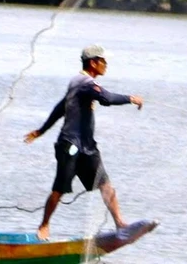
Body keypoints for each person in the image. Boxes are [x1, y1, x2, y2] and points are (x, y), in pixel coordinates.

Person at [25, 45, 143, 241]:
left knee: (105, 184)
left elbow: (60, 107)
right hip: (69, 145)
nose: (106, 65)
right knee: (60, 189)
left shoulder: (78, 83)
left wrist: (41, 130)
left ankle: (120, 223)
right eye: (103, 61)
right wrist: (131, 99)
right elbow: (106, 98)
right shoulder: (85, 83)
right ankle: (44, 225)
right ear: (93, 62)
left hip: (88, 146)